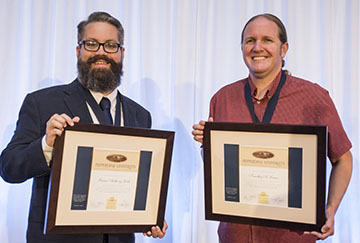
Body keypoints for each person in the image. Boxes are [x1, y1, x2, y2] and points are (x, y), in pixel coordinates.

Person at [0, 11, 167, 243]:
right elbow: (9, 168)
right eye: (91, 44)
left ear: (122, 53)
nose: (101, 52)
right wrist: (46, 145)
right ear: (78, 50)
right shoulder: (42, 103)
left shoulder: (140, 115)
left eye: (110, 45)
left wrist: (152, 215)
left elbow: (141, 184)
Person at [192, 13, 352, 243]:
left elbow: (343, 159)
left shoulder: (314, 97)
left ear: (283, 49)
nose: (258, 47)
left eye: (267, 40)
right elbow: (221, 171)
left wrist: (330, 209)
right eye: (250, 41)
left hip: (291, 236)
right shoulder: (222, 98)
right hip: (235, 235)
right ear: (242, 48)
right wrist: (208, 146)